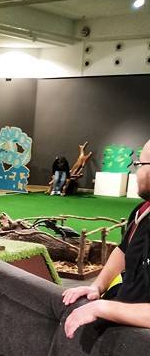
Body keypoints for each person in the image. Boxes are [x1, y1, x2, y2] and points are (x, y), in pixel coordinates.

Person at [63, 140, 150, 337]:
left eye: (140, 164)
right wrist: (97, 286)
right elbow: (124, 249)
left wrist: (104, 308)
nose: (136, 172)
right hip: (124, 329)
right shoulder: (142, 211)